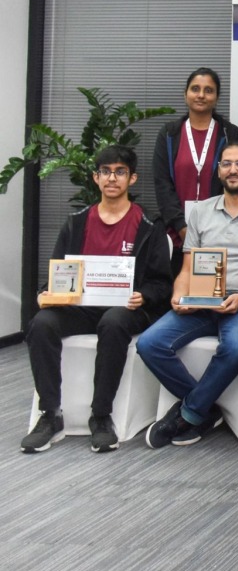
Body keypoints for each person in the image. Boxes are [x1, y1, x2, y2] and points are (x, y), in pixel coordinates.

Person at [137, 141, 238, 448]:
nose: (233, 170)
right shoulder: (201, 212)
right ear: (219, 170)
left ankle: (190, 413)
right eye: (226, 164)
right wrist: (179, 295)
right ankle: (205, 408)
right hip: (201, 301)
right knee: (149, 343)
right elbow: (187, 266)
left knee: (233, 349)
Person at [22, 145, 171, 454]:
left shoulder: (148, 227)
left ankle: (101, 417)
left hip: (127, 309)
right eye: (105, 172)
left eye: (119, 172)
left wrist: (144, 295)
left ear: (132, 179)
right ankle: (50, 415)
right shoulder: (76, 223)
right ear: (95, 178)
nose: (111, 178)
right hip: (81, 308)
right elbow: (56, 274)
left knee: (114, 321)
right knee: (41, 324)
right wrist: (45, 293)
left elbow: (162, 284)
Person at [152, 67, 238, 273]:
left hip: (220, 232)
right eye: (195, 89)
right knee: (180, 296)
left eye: (208, 90)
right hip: (177, 234)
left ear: (217, 97)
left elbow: (237, 180)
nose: (201, 95)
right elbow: (162, 184)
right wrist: (182, 228)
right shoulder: (169, 134)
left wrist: (213, 228)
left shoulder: (230, 133)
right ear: (185, 94)